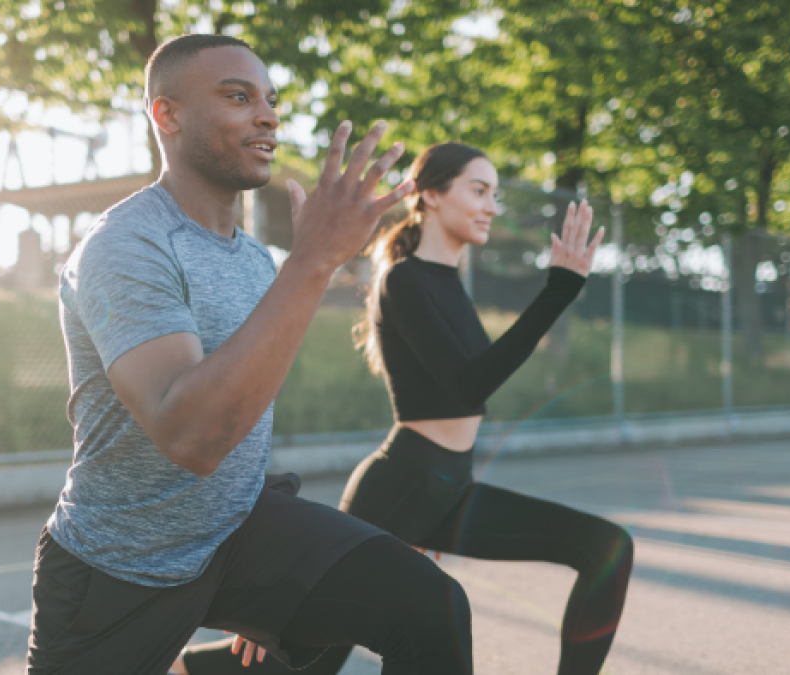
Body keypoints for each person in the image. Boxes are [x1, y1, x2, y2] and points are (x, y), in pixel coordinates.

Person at [27, 35, 477, 675]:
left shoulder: (253, 260)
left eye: (270, 100)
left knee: (431, 606)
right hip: (122, 563)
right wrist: (314, 261)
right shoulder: (125, 247)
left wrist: (293, 585)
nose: (268, 115)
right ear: (168, 114)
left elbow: (244, 411)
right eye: (238, 97)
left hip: (237, 531)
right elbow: (193, 436)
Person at [177, 143, 634, 675]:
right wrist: (557, 291)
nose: (491, 206)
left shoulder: (447, 282)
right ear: (432, 195)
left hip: (448, 488)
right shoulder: (405, 280)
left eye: (496, 195)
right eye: (479, 190)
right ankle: (183, 668)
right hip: (402, 487)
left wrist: (560, 290)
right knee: (308, 660)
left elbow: (469, 385)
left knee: (608, 549)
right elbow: (469, 386)